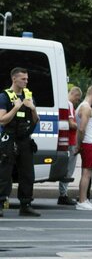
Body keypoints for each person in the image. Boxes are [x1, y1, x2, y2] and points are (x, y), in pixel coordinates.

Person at [0, 67, 40, 217]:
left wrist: (33, 109)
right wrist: (16, 108)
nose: (26, 81)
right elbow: (2, 120)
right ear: (14, 79)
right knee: (4, 173)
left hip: (24, 139)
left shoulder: (28, 96)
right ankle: (0, 203)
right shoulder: (4, 96)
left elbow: (36, 120)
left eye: (27, 79)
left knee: (27, 173)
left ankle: (26, 204)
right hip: (9, 138)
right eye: (23, 79)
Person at [73, 85, 92, 211]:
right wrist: (78, 145)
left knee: (86, 173)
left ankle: (83, 199)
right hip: (88, 143)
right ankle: (82, 200)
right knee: (86, 174)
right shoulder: (86, 108)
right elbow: (81, 128)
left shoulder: (83, 106)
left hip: (90, 142)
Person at [58, 87, 82, 206]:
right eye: (77, 98)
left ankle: (63, 193)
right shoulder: (69, 104)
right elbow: (71, 124)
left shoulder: (62, 103)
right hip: (70, 140)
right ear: (73, 94)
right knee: (68, 169)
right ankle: (63, 195)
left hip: (64, 140)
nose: (76, 101)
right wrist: (81, 127)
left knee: (66, 168)